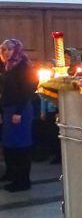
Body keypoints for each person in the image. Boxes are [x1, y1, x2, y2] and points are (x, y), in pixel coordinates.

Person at [0, 39, 38, 192]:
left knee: (21, 145)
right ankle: (12, 174)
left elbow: (28, 90)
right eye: (4, 50)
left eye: (10, 49)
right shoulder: (7, 66)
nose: (6, 53)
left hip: (20, 109)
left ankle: (23, 181)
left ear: (16, 50)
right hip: (8, 108)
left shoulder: (23, 66)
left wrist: (18, 112)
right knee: (9, 144)